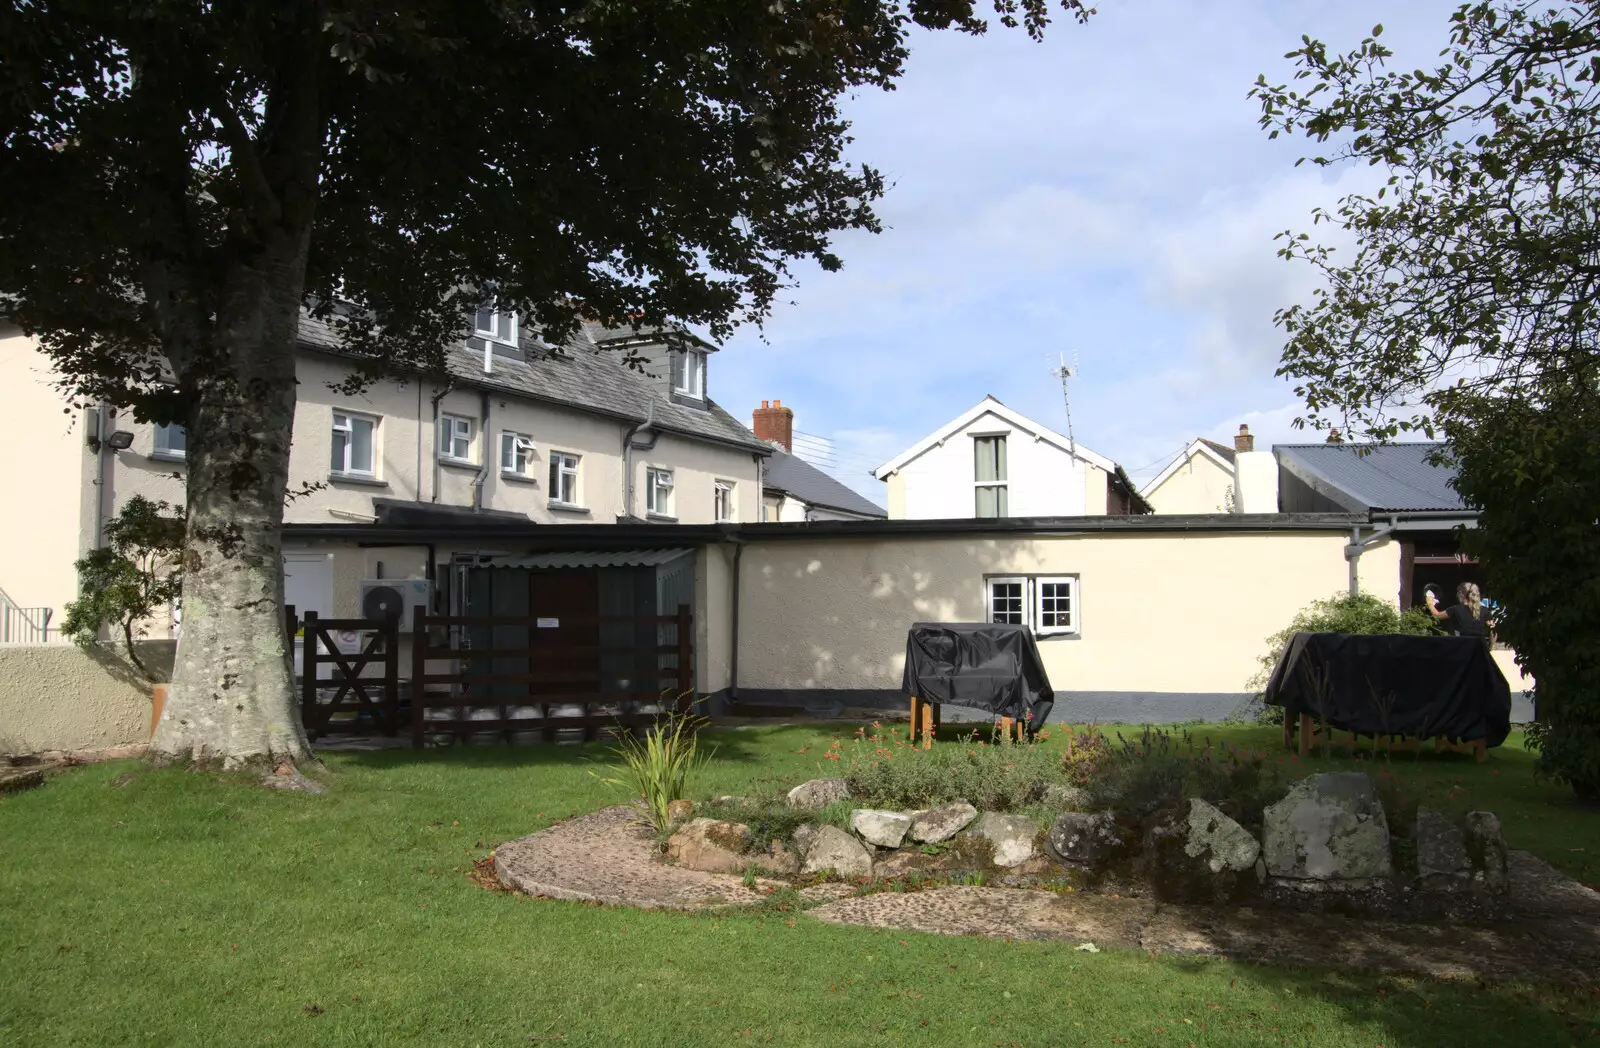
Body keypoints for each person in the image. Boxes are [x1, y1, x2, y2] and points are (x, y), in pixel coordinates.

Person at [1427, 582, 1491, 645]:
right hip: (1481, 649)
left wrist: (1430, 602)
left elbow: (1436, 615)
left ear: (1461, 594)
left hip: (1462, 648)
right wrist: (1491, 646)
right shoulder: (1485, 610)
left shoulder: (1455, 609)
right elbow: (1492, 630)